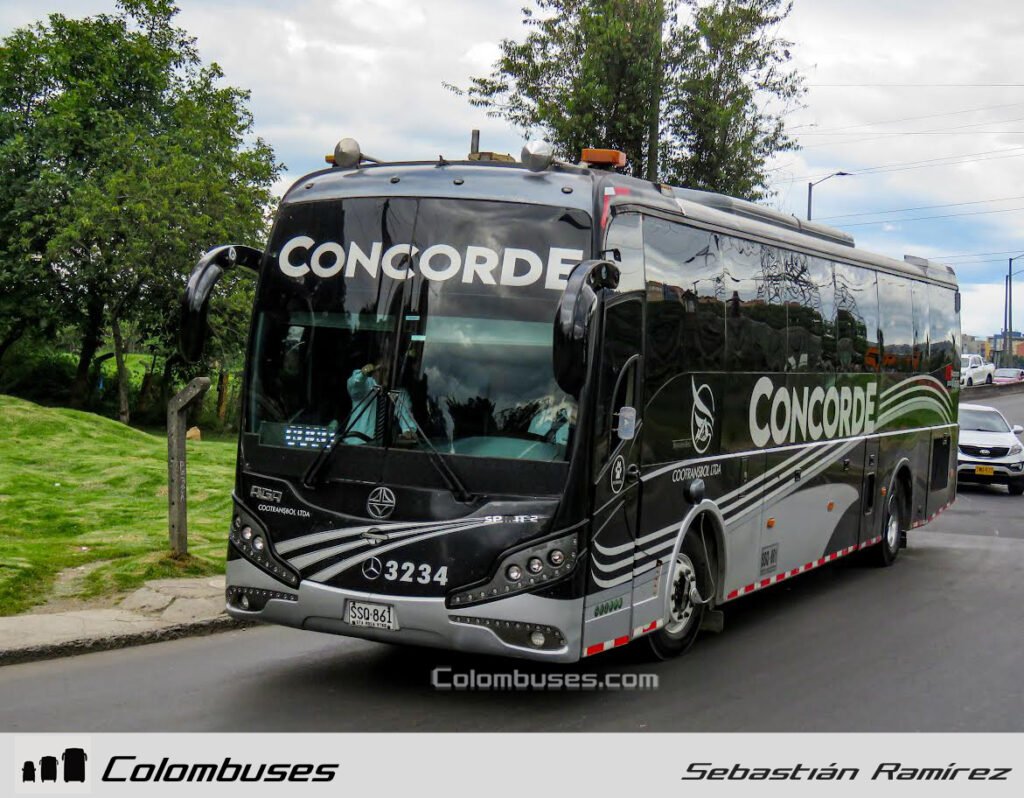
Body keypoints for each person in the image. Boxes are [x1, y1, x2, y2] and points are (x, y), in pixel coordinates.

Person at [342, 362, 417, 444]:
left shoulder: (399, 392)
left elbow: (406, 417)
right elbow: (354, 385)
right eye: (382, 370)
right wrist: (362, 374)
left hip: (382, 447)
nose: (387, 374)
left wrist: (408, 431)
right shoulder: (365, 384)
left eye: (391, 370)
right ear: (374, 370)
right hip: (354, 443)